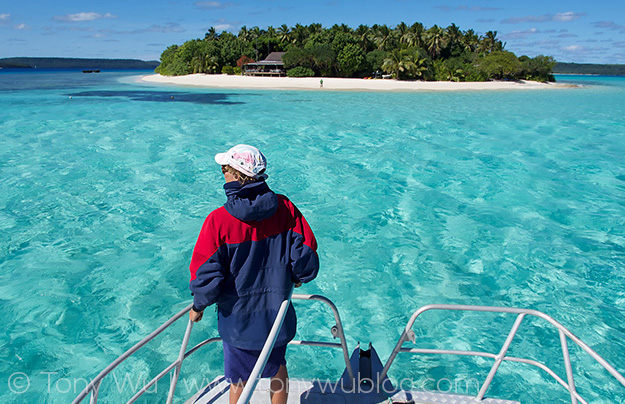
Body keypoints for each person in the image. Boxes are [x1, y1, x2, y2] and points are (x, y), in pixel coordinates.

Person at [188, 144, 319, 404]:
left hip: (239, 324)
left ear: (233, 176)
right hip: (276, 317)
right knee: (278, 371)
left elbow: (207, 275)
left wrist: (198, 305)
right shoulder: (285, 208)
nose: (222, 175)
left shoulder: (218, 221)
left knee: (239, 385)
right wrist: (298, 276)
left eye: (224, 170)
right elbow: (306, 253)